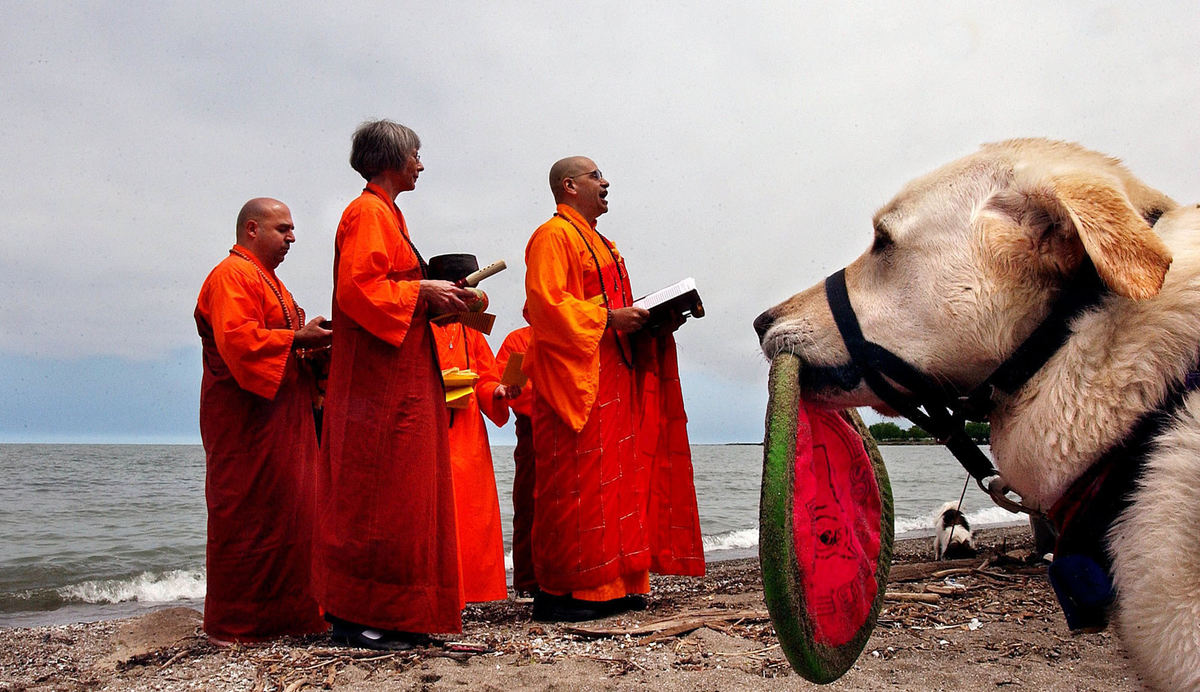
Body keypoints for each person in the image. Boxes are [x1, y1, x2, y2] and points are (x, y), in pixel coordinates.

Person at [312, 120, 477, 650]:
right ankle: (358, 617)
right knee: (376, 493)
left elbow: (389, 288)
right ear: (391, 159)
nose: (422, 166)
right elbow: (359, 289)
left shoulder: (390, 216)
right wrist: (420, 290)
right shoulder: (366, 213)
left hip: (401, 373)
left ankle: (400, 613)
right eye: (416, 156)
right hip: (375, 385)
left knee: (408, 494)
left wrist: (436, 296)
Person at [522, 156, 706, 622]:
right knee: (575, 489)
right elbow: (545, 307)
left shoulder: (604, 243)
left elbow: (612, 312)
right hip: (576, 383)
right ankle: (566, 592)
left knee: (619, 486)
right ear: (569, 186)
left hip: (614, 377)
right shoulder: (553, 236)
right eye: (595, 176)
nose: (605, 183)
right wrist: (608, 318)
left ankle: (617, 584)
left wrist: (653, 320)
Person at [194, 197, 332, 643]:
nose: (292, 237)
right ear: (251, 229)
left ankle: (293, 618)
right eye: (283, 229)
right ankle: (238, 625)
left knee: (293, 513)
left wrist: (311, 342)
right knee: (247, 517)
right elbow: (239, 343)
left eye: (292, 229)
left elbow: (280, 341)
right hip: (247, 425)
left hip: (284, 420)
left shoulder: (271, 281)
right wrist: (297, 336)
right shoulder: (231, 276)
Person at [428, 254, 517, 604]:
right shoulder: (419, 323)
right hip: (430, 428)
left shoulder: (471, 327)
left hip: (467, 434)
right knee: (435, 514)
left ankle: (474, 590)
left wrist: (498, 390)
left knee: (472, 516)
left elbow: (487, 375)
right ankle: (439, 591)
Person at [494, 323, 537, 597]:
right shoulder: (520, 340)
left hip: (574, 427)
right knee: (528, 503)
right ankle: (526, 580)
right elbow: (511, 387)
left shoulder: (575, 332)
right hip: (534, 428)